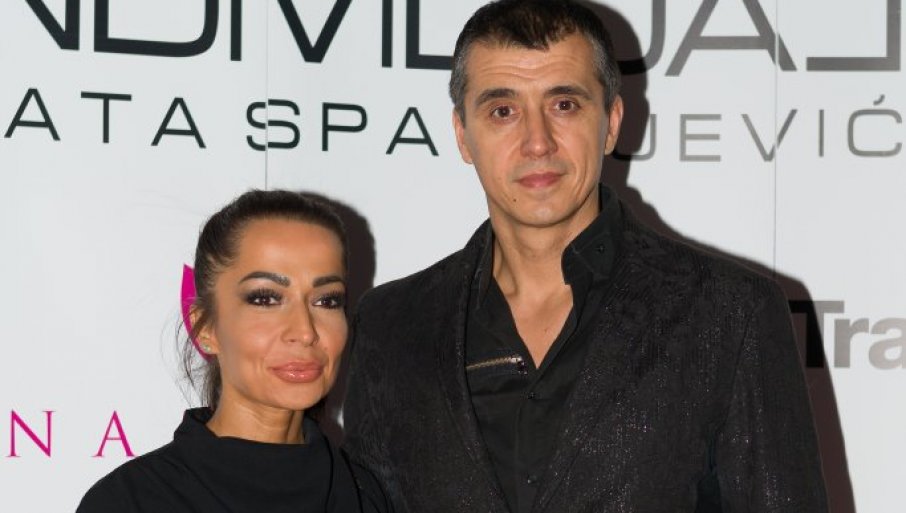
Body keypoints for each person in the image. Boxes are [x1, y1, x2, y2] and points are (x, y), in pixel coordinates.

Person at [343, 1, 828, 512]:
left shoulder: (730, 313)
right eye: (503, 111)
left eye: (564, 105)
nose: (537, 143)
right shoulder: (392, 327)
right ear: (463, 135)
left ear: (611, 122)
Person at [78, 190, 389, 513]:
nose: (305, 331)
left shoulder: (364, 497)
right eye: (265, 299)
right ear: (206, 328)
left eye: (327, 300)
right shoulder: (131, 502)